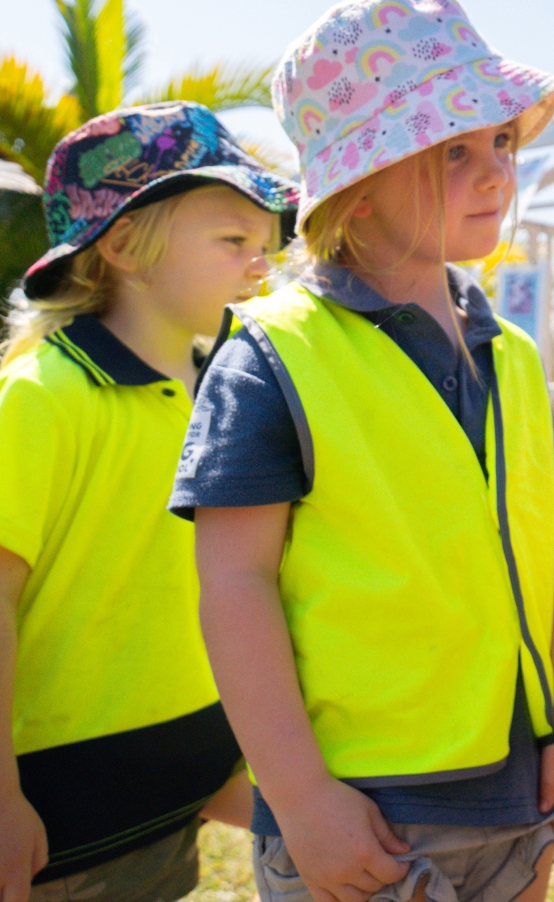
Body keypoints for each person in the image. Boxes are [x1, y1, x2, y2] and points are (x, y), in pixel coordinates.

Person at [171, 0, 554, 902]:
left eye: (501, 141)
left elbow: (550, 541)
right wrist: (299, 796)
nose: (497, 170)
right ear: (356, 192)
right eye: (452, 149)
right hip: (363, 808)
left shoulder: (512, 353)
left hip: (520, 784)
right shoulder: (272, 356)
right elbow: (234, 586)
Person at [0, 102, 297, 902]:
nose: (258, 266)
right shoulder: (41, 397)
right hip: (55, 840)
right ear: (127, 245)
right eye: (234, 240)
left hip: (167, 819)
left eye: (266, 247)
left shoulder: (216, 403)